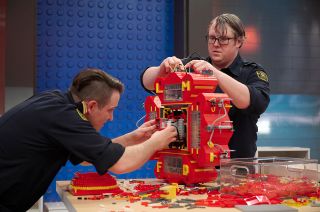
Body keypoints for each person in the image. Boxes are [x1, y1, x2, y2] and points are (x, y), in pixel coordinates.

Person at [0, 68, 177, 211]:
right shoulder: (64, 117)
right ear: (91, 106)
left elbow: (86, 157)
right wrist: (157, 142)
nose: (111, 118)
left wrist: (132, 138)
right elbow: (121, 164)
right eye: (110, 110)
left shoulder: (56, 102)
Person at [141, 13, 270, 159]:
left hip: (235, 168)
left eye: (223, 39)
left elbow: (254, 102)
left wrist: (214, 73)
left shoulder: (251, 71)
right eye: (212, 38)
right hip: (192, 165)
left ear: (239, 42)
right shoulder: (193, 64)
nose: (215, 44)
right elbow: (146, 82)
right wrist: (161, 69)